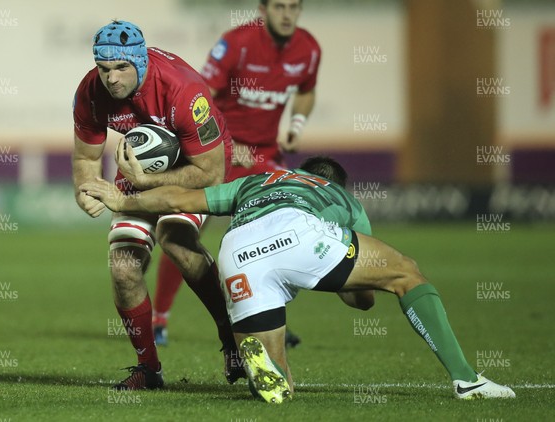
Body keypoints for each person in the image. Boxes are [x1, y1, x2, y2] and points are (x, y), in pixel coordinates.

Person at [81, 156, 516, 403]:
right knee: (406, 274)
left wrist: (123, 198)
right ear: (336, 183)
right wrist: (335, 279)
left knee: (281, 387)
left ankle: (258, 360)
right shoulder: (340, 197)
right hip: (297, 233)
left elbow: (181, 198)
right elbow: (363, 299)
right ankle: (467, 380)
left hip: (238, 253)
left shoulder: (258, 180)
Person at [72, 20, 246, 390]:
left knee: (175, 238)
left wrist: (145, 182)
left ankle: (230, 338)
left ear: (140, 60)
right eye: (104, 69)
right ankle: (149, 370)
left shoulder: (183, 90)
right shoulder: (90, 92)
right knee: (122, 267)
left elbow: (211, 173)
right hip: (139, 169)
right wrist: (84, 191)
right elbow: (85, 160)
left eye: (121, 68)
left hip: (196, 165)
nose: (111, 79)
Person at [152, 0, 321, 348]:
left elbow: (306, 90)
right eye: (279, 6)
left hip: (264, 157)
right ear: (263, 8)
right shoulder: (236, 44)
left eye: (294, 7)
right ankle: (159, 318)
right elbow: (200, 96)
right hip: (218, 152)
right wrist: (224, 144)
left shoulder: (308, 49)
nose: (287, 14)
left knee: (282, 230)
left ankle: (266, 318)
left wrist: (296, 124)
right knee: (181, 229)